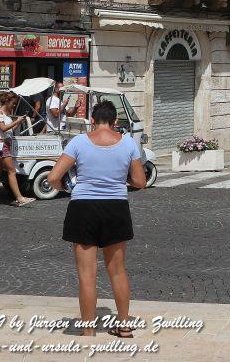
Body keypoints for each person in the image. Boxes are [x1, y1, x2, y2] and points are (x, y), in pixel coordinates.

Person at [47, 99, 146, 338]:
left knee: (87, 275)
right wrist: (120, 181)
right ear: (115, 122)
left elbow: (52, 178)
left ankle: (89, 330)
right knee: (118, 271)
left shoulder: (79, 142)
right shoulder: (128, 144)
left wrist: (65, 187)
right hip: (116, 208)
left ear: (92, 120)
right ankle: (123, 326)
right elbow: (141, 182)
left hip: (83, 208)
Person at [0, 92, 35, 207]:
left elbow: (9, 130)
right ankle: (19, 198)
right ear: (7, 102)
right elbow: (3, 128)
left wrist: (19, 122)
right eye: (13, 103)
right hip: (2, 145)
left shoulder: (5, 114)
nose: (14, 106)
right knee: (12, 171)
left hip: (3, 144)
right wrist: (16, 121)